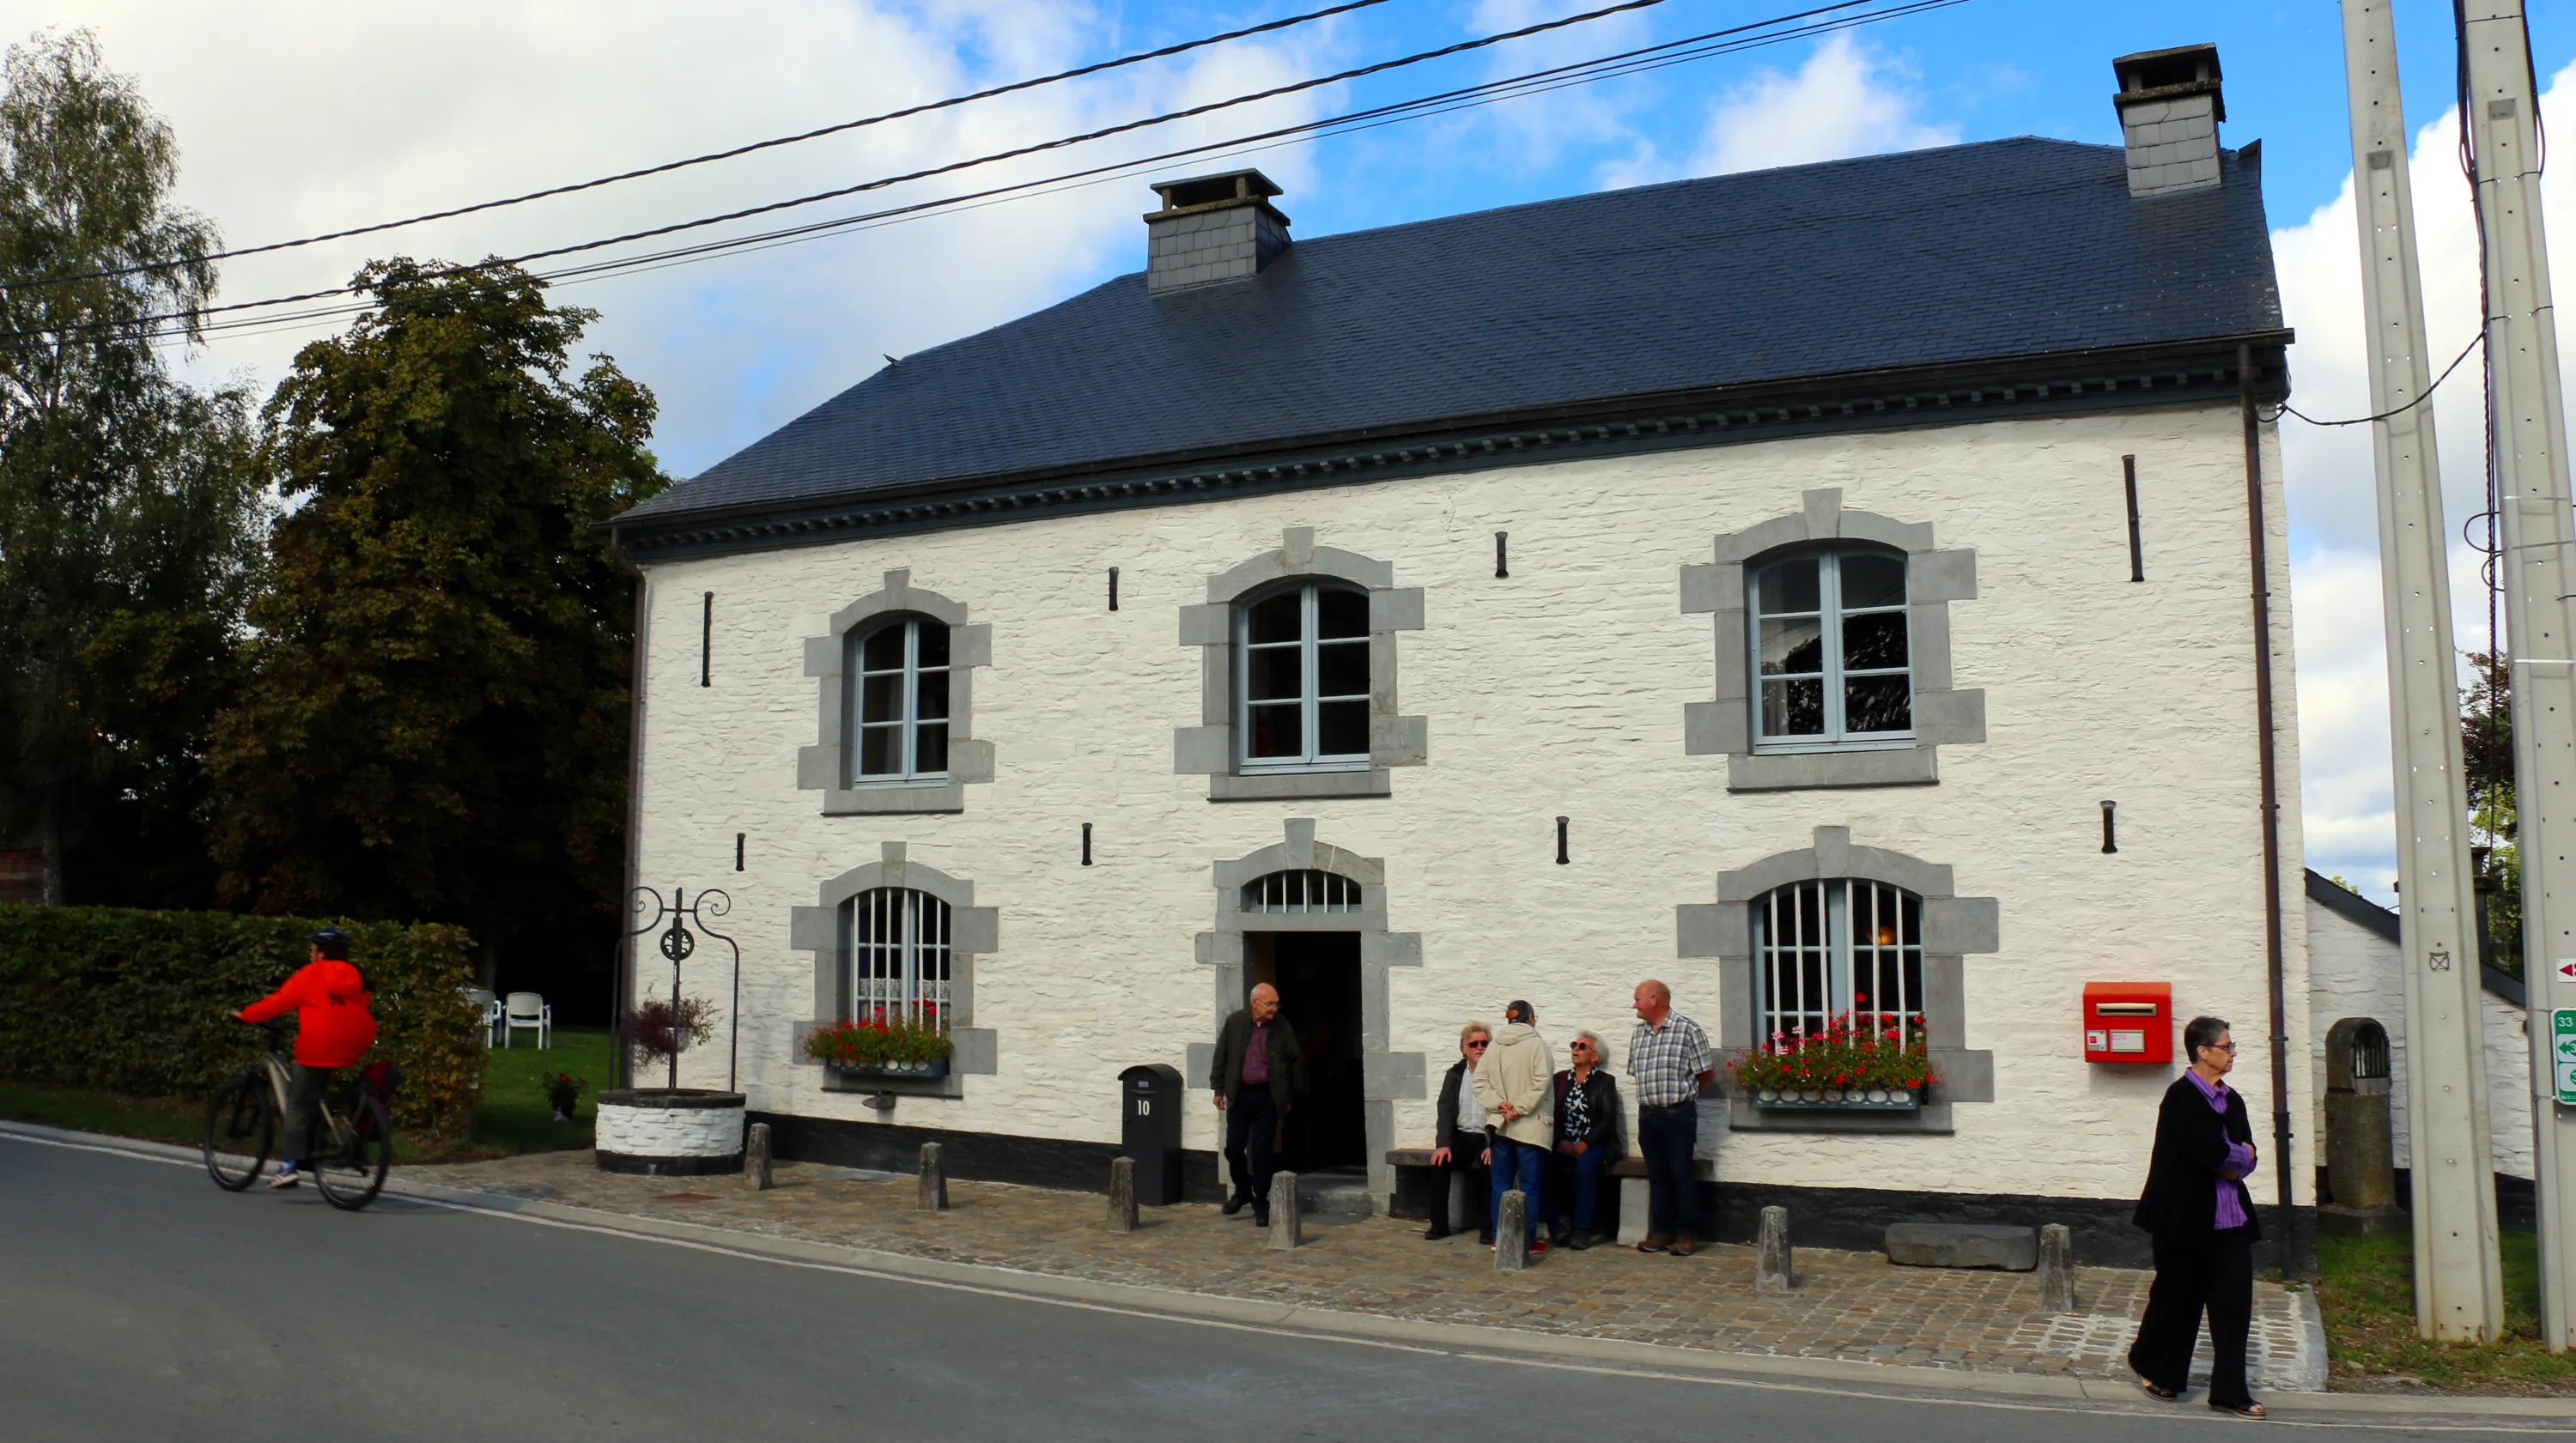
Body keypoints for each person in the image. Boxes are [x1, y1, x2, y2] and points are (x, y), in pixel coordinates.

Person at [2128, 1016, 2266, 1421]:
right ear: (2203, 1052)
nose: (2233, 1053)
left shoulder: (2232, 1100)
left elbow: (2248, 1156)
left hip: (2230, 1220)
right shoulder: (2181, 1098)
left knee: (2233, 1307)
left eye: (2232, 1046)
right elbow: (2215, 1154)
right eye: (2226, 1046)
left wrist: (2236, 1158)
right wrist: (2235, 1157)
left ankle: (2230, 1393)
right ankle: (2153, 1365)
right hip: (2182, 1217)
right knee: (2176, 1300)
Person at [237, 927, 378, 1190]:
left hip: (318, 1044)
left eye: (312, 949)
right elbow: (356, 1006)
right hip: (354, 1040)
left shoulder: (311, 973)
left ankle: (289, 1166)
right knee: (315, 1093)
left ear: (322, 953)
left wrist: (247, 1015)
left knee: (296, 1104)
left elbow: (280, 1001)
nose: (309, 954)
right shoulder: (355, 974)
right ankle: (319, 1142)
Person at [1625, 979, 1714, 1256]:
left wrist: (1686, 1097)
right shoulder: (1638, 1034)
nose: (1634, 1005)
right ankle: (1661, 1232)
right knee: (1657, 1175)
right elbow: (1636, 1073)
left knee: (1681, 1174)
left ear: (1654, 999)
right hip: (1648, 1116)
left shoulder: (1688, 1030)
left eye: (1638, 999)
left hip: (1678, 1115)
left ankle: (1686, 1234)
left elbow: (1706, 1073)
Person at [1208, 982, 1304, 1228]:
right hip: (1240, 1094)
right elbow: (1221, 1056)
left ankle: (1261, 1201)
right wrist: (1218, 1089)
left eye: (1276, 1003)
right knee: (1233, 1147)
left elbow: (1295, 1061)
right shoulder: (1235, 1022)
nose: (1274, 1008)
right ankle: (1243, 1190)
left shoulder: (1281, 1026)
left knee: (1261, 1152)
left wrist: (1288, 1096)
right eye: (1270, 1004)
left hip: (1268, 1096)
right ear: (1255, 1003)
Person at [1474, 999, 1554, 1256]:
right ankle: (1526, 1241)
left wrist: (1501, 1105)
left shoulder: (1494, 1047)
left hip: (1501, 1125)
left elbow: (1479, 1082)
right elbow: (1541, 1082)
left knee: (1500, 1185)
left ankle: (1499, 1238)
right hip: (1530, 1126)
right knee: (1529, 1186)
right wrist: (1518, 1108)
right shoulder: (1537, 1045)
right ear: (1530, 1018)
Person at [1548, 1030, 1622, 1250]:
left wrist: (1585, 1143)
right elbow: (1549, 1113)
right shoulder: (1560, 1080)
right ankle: (1556, 1225)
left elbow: (1608, 1118)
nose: (1576, 1049)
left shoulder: (1605, 1082)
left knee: (1586, 1166)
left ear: (1595, 1057)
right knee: (1541, 1164)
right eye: (1574, 1045)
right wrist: (1560, 1140)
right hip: (1564, 1142)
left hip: (1595, 1144)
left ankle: (1582, 1229)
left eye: (1582, 1047)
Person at [1425, 1022, 1494, 1243]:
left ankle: (1488, 1230)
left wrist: (1494, 1144)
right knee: (1439, 1165)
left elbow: (1502, 1110)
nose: (1479, 1048)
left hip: (1486, 1137)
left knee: (1492, 1168)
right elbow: (1445, 1109)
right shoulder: (1455, 1074)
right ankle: (1439, 1226)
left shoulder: (1498, 1074)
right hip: (1461, 1136)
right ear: (1464, 1048)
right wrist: (1444, 1144)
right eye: (1474, 1044)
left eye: (1484, 1043)